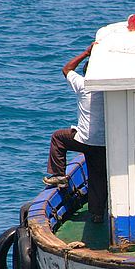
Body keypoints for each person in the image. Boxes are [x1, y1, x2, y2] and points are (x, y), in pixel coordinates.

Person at [44, 43, 107, 223]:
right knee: (97, 176)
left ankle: (59, 176)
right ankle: (96, 214)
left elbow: (67, 69)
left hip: (86, 139)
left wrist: (86, 52)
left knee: (58, 137)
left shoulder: (82, 85)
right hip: (106, 142)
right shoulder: (111, 89)